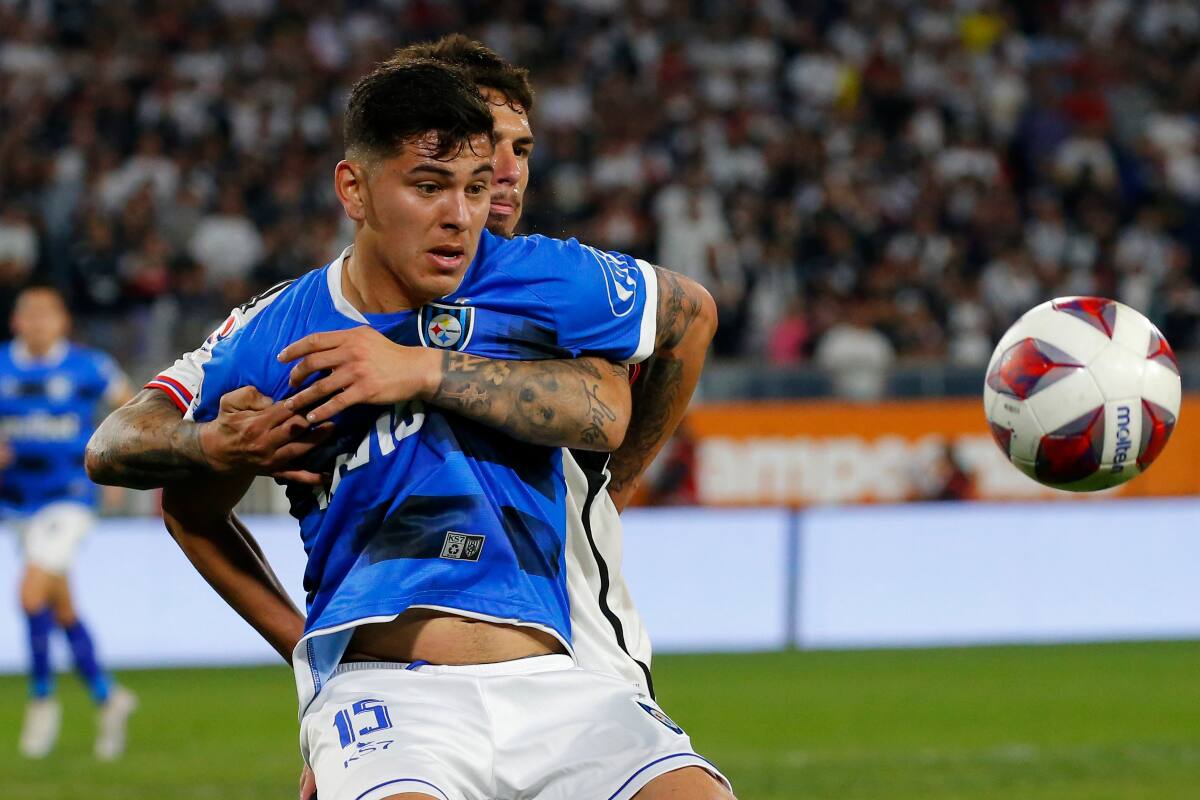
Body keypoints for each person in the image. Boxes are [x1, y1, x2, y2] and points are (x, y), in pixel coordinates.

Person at [95, 59, 732, 800]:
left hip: (560, 675)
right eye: (431, 186)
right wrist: (214, 448)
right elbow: (129, 458)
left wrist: (604, 488)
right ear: (354, 189)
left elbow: (669, 340)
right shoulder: (278, 330)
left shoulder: (536, 277)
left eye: (480, 183)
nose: (465, 210)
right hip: (391, 694)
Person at [0, 285, 138, 760]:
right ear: (16, 322)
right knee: (60, 608)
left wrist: (118, 462)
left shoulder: (89, 366)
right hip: (18, 504)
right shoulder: (2, 365)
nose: (38, 322)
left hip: (71, 498)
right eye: (30, 314)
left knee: (28, 594)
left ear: (63, 322)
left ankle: (41, 699)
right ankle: (108, 696)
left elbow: (133, 408)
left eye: (47, 314)